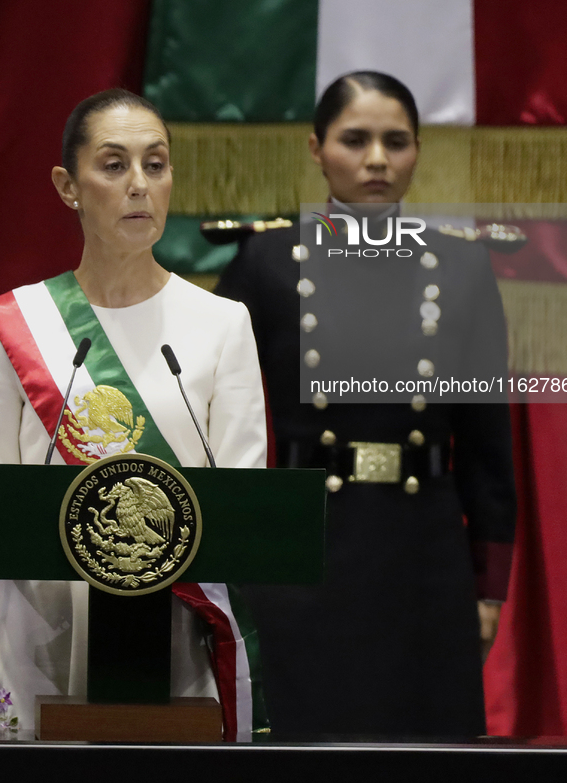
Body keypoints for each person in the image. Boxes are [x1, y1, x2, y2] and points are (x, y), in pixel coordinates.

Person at [0, 89, 266, 740]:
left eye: (156, 165)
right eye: (114, 165)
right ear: (68, 186)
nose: (138, 186)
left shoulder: (222, 324)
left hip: (173, 643)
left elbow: (245, 500)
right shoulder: (16, 323)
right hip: (38, 637)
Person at [215, 71, 516, 738]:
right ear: (317, 148)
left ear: (416, 151)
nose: (377, 159)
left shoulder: (462, 270)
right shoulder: (265, 263)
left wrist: (488, 586)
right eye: (355, 139)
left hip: (422, 554)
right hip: (299, 554)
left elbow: (489, 447)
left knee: (425, 750)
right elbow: (224, 432)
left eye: (396, 141)